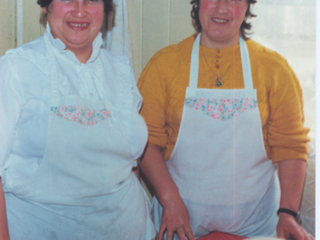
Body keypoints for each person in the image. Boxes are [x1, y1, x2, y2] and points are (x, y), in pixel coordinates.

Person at [138, 0, 313, 240]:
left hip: (255, 226)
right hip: (179, 222)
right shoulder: (164, 65)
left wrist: (287, 214)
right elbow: (145, 142)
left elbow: (291, 147)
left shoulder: (274, 69)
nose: (222, 8)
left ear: (248, 5)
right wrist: (171, 201)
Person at [0, 0, 156, 239]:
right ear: (46, 6)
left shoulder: (120, 70)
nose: (80, 11)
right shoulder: (17, 68)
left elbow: (128, 165)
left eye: (92, 0)